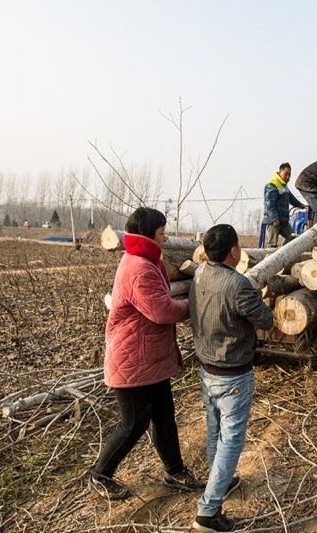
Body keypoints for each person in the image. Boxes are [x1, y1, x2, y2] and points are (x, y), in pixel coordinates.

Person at [90, 207, 204, 500]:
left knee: (164, 417)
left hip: (149, 357)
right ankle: (99, 475)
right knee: (134, 423)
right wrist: (194, 304)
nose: (165, 238)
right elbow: (161, 311)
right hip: (132, 358)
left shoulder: (144, 260)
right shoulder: (139, 267)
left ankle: (175, 471)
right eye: (162, 232)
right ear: (149, 233)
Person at [189, 224, 274, 532]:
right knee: (231, 441)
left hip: (207, 368)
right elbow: (266, 320)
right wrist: (259, 296)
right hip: (233, 376)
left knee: (215, 431)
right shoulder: (238, 285)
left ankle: (219, 483)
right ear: (234, 251)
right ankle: (207, 513)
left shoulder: (199, 273)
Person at [262, 162, 305, 247]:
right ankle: (271, 259)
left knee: (292, 238)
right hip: (274, 221)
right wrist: (274, 218)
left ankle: (282, 254)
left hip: (283, 220)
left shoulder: (284, 185)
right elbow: (269, 204)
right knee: (272, 244)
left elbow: (290, 197)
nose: (288, 177)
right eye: (286, 174)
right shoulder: (272, 184)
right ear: (280, 171)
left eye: (289, 175)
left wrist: (300, 205)